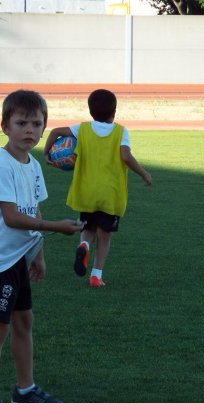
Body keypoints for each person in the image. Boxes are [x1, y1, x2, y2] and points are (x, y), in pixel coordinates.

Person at [0, 90, 84, 403]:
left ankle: (25, 390)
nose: (30, 130)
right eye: (21, 123)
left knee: (24, 322)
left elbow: (32, 209)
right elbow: (11, 217)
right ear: (5, 126)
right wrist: (55, 227)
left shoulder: (33, 164)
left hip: (18, 258)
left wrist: (38, 254)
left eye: (37, 123)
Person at [43, 89, 152, 287]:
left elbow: (55, 132)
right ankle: (96, 275)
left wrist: (46, 153)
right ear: (114, 111)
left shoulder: (83, 129)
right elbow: (125, 156)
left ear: (90, 110)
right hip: (110, 194)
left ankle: (84, 244)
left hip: (86, 191)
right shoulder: (120, 131)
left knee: (87, 227)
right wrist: (144, 173)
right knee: (105, 234)